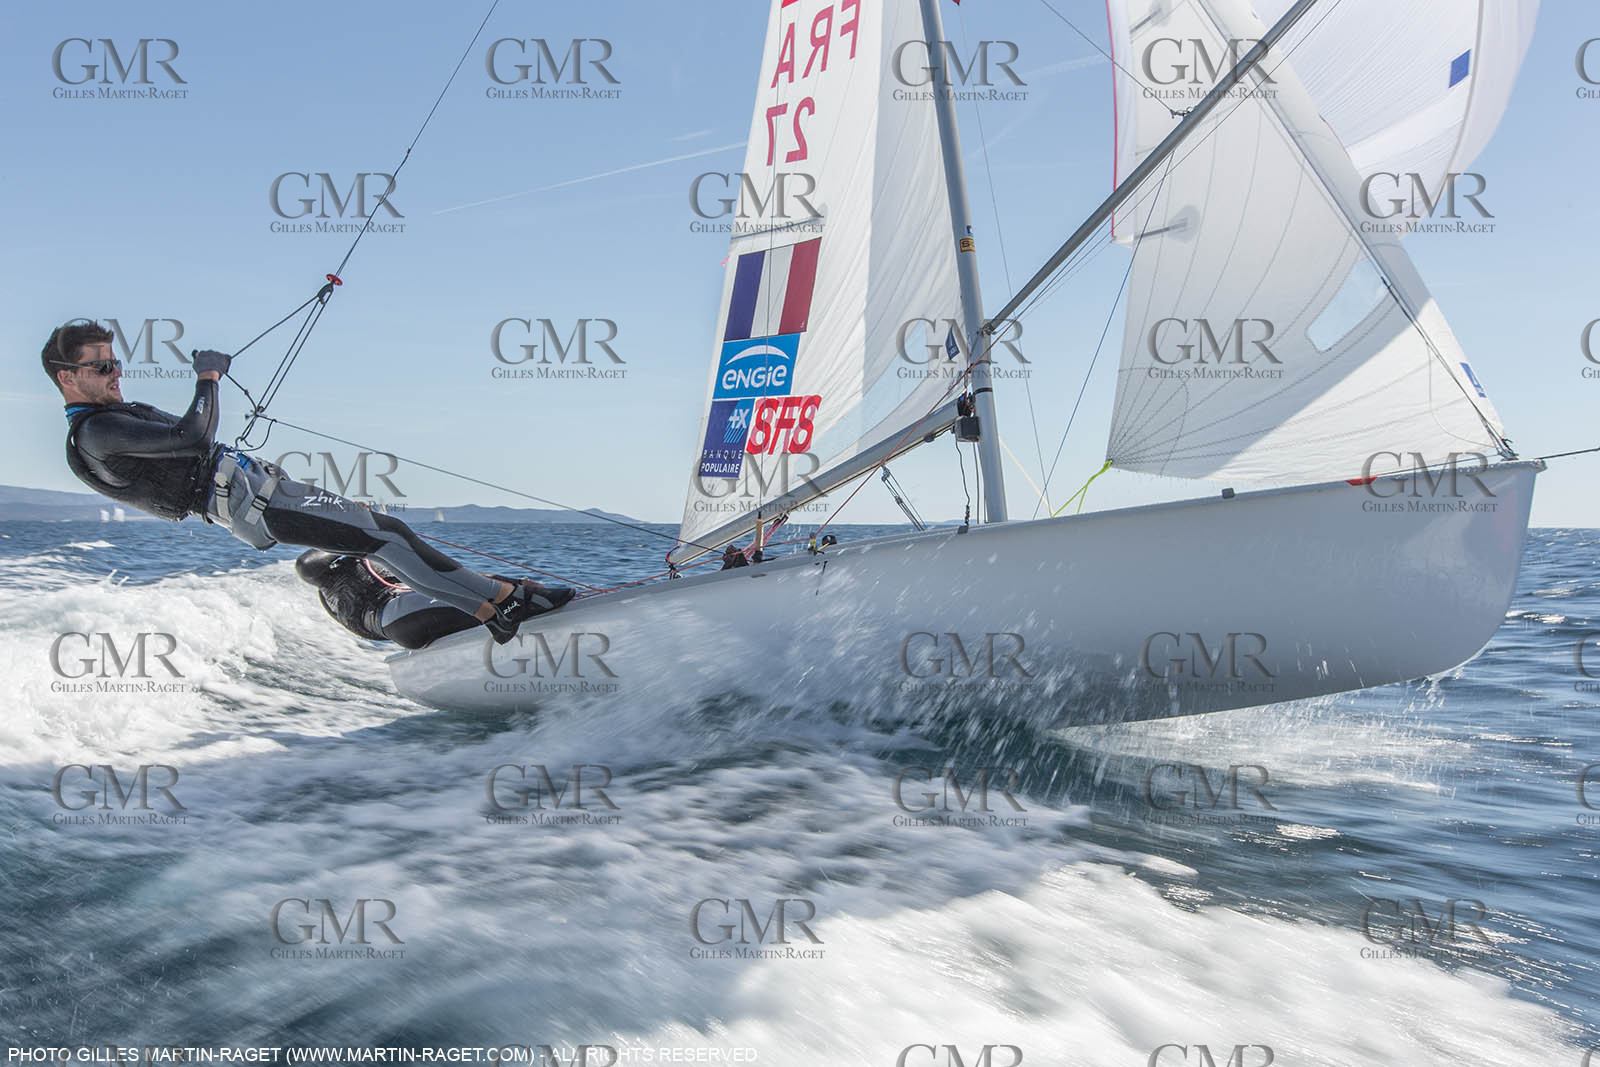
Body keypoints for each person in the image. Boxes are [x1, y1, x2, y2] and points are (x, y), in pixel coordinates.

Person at [45, 318, 569, 643]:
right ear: (67, 377)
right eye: (101, 368)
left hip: (271, 490)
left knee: (384, 533)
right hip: (259, 509)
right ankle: (503, 603)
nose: (116, 373)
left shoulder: (114, 415)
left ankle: (491, 603)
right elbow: (194, 436)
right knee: (387, 537)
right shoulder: (96, 432)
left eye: (115, 363)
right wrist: (207, 378)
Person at [293, 549, 573, 649]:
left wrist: (512, 582)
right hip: (397, 613)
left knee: (489, 591)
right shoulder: (327, 577)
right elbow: (306, 564)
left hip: (410, 616)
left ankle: (527, 607)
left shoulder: (371, 555)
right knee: (505, 604)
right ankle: (528, 606)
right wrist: (351, 535)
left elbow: (447, 578)